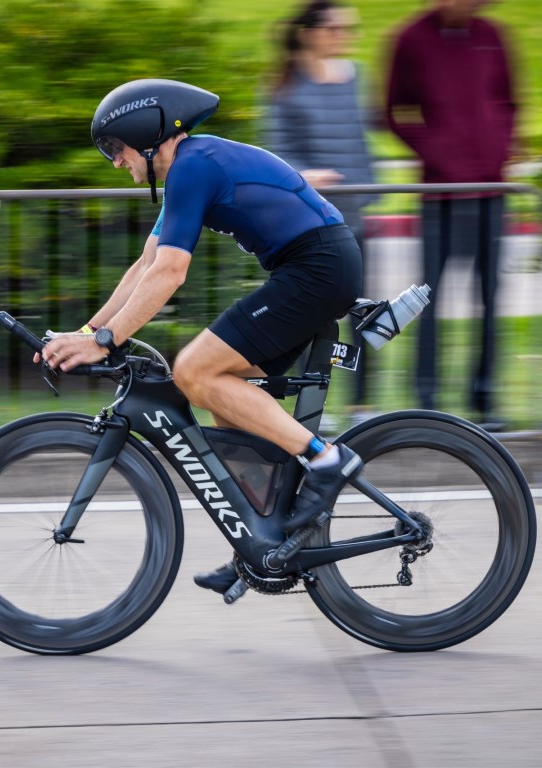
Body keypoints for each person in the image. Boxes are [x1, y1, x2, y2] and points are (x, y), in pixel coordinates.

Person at [40, 79, 364, 596]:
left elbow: (170, 273)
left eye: (117, 151)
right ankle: (263, 544)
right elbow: (145, 266)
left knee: (195, 371)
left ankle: (327, 460)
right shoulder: (188, 169)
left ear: (144, 136)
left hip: (318, 266)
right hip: (314, 265)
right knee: (224, 400)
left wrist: (104, 340)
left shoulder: (193, 165)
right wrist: (86, 333)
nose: (116, 163)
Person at [384, 0, 517, 429]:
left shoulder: (492, 36)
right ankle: (427, 398)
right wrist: (437, 152)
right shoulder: (410, 38)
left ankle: (485, 398)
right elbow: (391, 112)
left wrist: (499, 148)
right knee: (429, 297)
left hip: (491, 189)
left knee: (490, 297)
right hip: (440, 191)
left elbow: (509, 102)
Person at [263, 0, 376, 428]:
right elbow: (274, 152)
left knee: (363, 312)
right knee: (311, 314)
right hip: (310, 222)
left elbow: (362, 140)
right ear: (310, 31)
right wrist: (307, 174)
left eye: (348, 28)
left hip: (355, 214)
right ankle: (309, 404)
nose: (344, 35)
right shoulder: (286, 83)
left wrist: (367, 188)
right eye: (335, 28)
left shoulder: (355, 77)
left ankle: (363, 407)